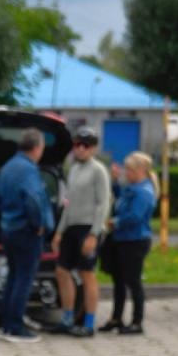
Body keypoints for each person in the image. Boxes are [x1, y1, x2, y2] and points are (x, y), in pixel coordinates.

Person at [0, 128, 54, 343]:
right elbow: (34, 199)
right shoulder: (28, 170)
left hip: (8, 229)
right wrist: (39, 224)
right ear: (36, 148)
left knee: (14, 277)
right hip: (26, 231)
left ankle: (7, 325)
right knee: (24, 279)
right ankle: (16, 327)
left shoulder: (8, 167)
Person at [50, 126, 111, 337]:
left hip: (88, 227)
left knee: (87, 274)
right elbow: (68, 203)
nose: (80, 149)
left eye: (85, 145)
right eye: (77, 145)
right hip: (71, 226)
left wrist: (94, 234)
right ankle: (67, 318)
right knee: (62, 271)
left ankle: (89, 322)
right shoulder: (74, 169)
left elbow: (103, 204)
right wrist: (59, 231)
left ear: (93, 148)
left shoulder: (98, 170)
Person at [99, 151, 158, 334]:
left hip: (135, 241)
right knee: (118, 280)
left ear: (140, 170)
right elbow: (120, 201)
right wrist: (115, 182)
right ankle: (116, 318)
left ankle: (137, 322)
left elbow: (135, 216)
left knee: (133, 281)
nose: (126, 173)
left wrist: (115, 222)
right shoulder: (132, 187)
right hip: (121, 239)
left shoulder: (144, 192)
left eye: (129, 170)